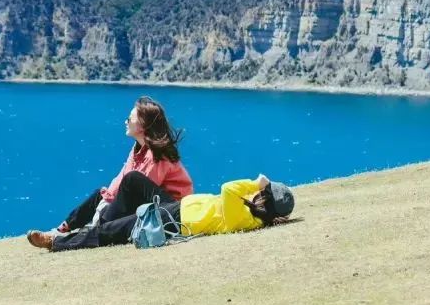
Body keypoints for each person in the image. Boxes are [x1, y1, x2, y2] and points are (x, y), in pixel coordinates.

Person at [27, 171, 294, 252]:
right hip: (176, 210)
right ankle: (85, 225)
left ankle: (57, 242)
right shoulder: (249, 213)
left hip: (174, 219)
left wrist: (255, 182)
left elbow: (227, 189)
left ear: (265, 199)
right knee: (131, 186)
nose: (258, 190)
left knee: (113, 231)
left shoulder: (246, 218)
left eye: (264, 192)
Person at [49, 96, 193, 235]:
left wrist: (109, 207)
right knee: (101, 194)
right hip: (152, 201)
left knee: (129, 183)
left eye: (129, 118)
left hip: (173, 209)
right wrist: (106, 199)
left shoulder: (157, 154)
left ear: (143, 124)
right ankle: (63, 228)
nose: (126, 121)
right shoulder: (138, 148)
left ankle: (98, 229)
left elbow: (138, 190)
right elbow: (121, 178)